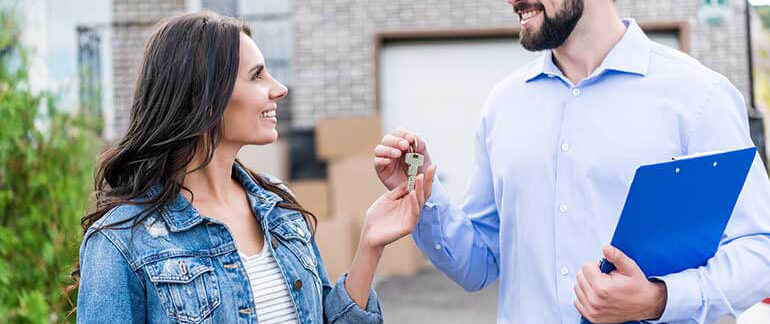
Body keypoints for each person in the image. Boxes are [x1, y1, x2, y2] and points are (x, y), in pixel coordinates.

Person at [373, 0, 770, 323]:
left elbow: (760, 250)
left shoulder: (698, 97)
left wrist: (658, 299)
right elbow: (479, 265)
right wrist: (420, 190)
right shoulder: (504, 105)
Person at [75, 11, 436, 324]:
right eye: (257, 76)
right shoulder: (120, 242)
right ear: (205, 95)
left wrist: (370, 244)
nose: (279, 89)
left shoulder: (278, 205)